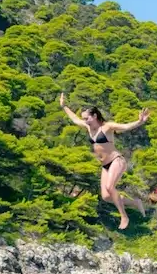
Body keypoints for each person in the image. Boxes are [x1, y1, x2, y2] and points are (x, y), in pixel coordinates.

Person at [59, 93, 150, 230]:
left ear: (95, 116)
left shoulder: (107, 127)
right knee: (106, 196)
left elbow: (125, 127)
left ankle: (124, 216)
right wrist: (64, 106)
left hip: (116, 160)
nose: (85, 121)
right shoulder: (88, 128)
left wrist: (139, 122)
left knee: (109, 187)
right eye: (84, 118)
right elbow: (74, 119)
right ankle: (135, 202)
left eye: (87, 118)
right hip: (105, 166)